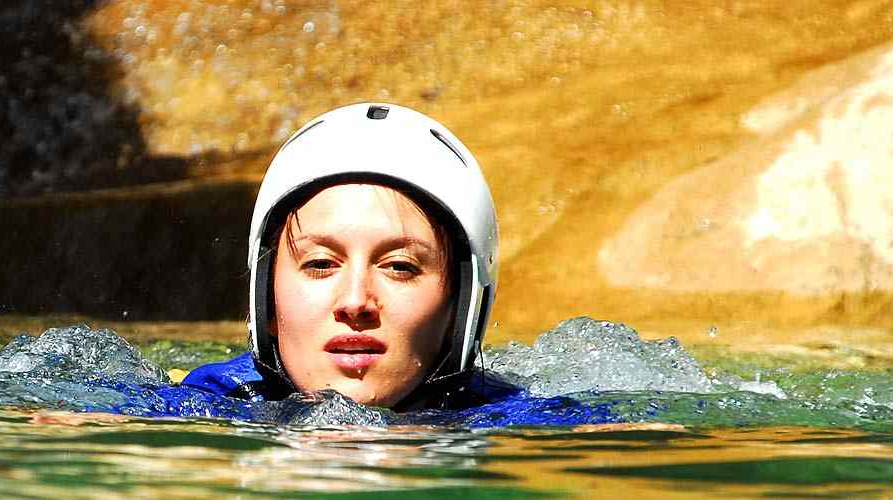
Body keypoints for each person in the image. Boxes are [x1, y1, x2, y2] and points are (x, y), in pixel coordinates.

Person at [146, 103, 609, 425]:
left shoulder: (524, 419)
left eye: (400, 267)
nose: (355, 302)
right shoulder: (207, 400)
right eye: (321, 264)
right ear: (264, 302)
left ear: (462, 311)